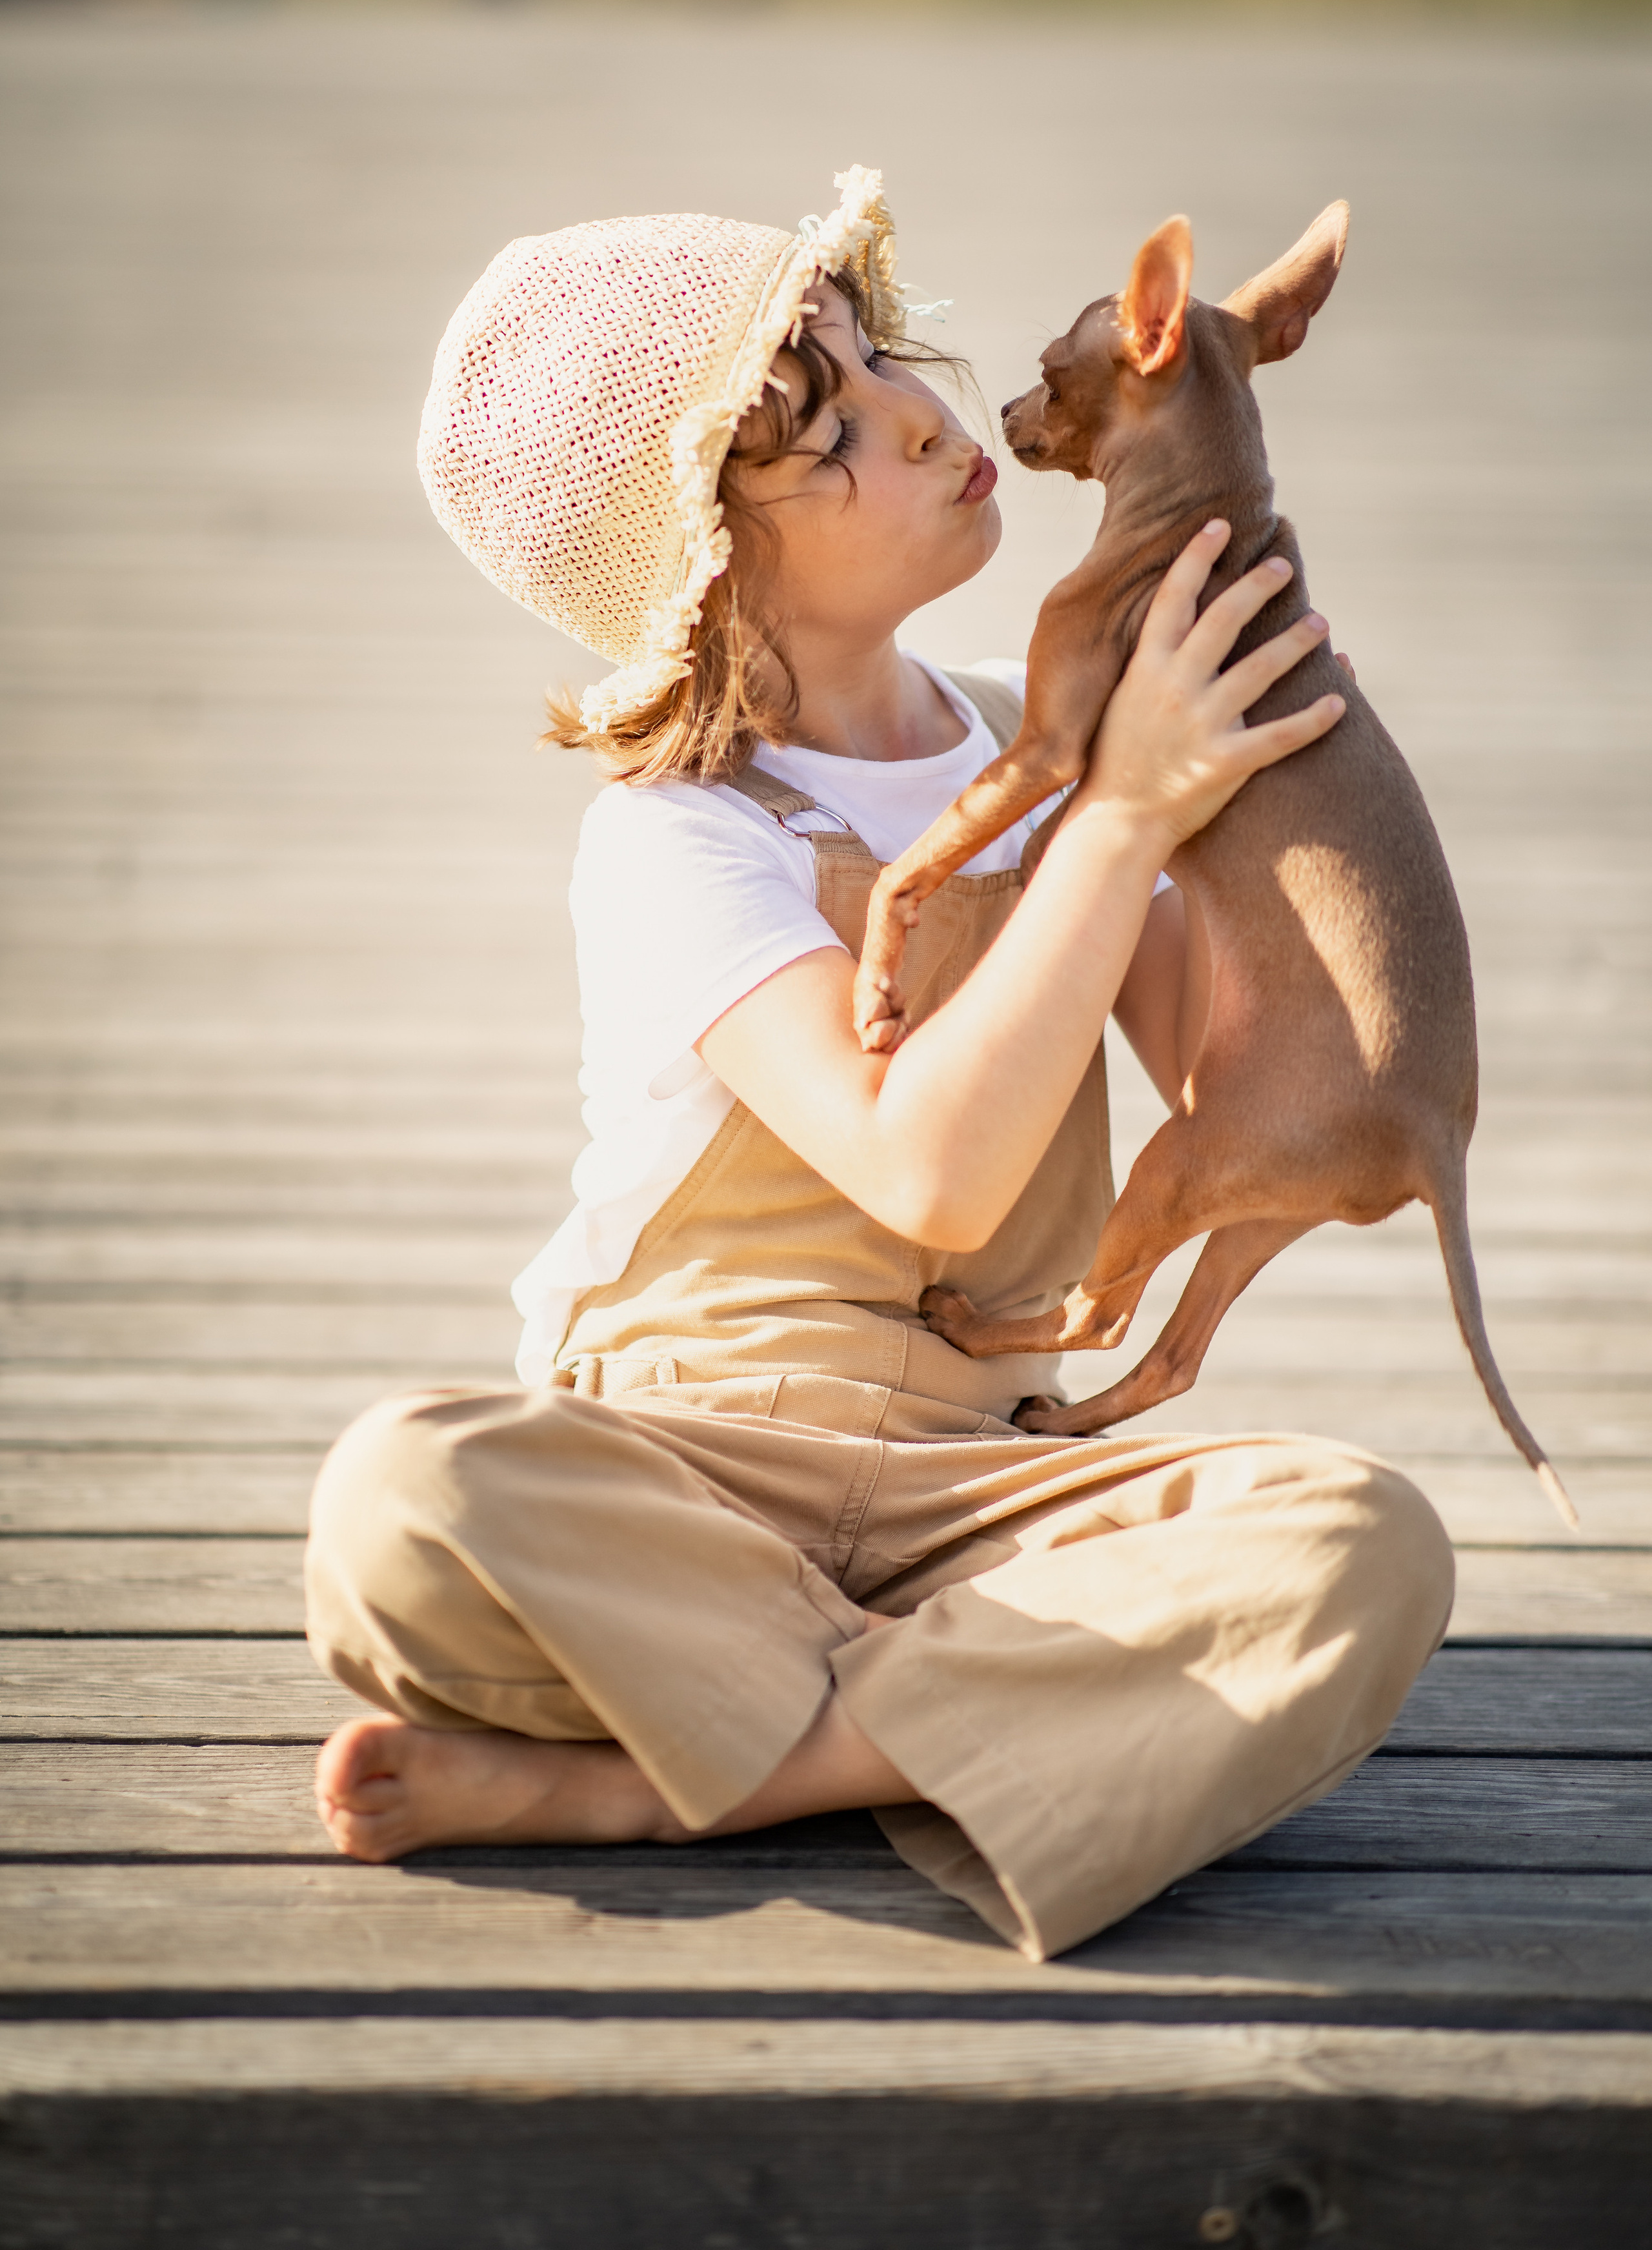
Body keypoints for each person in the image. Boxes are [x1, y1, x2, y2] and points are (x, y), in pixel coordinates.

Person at [307, 167, 1453, 1962]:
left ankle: (671, 1770)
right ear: (709, 563)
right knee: (406, 1493)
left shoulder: (1053, 732)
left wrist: (1262, 805)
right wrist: (1123, 811)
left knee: (1362, 1542)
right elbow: (927, 1173)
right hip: (691, 1459)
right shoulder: (682, 835)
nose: (921, 414)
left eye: (882, 358)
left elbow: (1209, 1067)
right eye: (829, 430)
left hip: (988, 1476)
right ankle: (947, 1723)